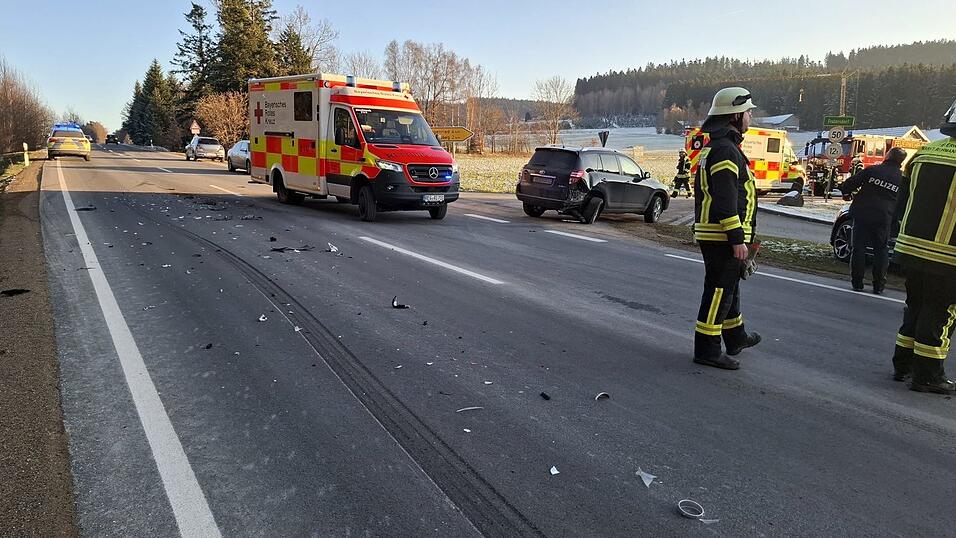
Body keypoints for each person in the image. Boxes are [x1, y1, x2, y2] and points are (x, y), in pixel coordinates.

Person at [692, 87, 761, 370]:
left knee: (730, 287)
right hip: (722, 236)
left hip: (720, 234)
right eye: (747, 112)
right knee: (719, 291)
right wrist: (736, 238)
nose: (750, 116)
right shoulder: (724, 150)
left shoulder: (725, 146)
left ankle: (736, 337)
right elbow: (725, 199)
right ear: (734, 116)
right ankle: (707, 349)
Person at [890, 97, 956, 395]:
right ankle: (928, 376)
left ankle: (902, 364)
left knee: (915, 305)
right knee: (941, 312)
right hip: (948, 255)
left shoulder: (924, 152)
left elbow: (902, 201)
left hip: (911, 248)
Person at [840, 146, 906, 294]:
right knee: (881, 250)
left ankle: (857, 283)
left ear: (888, 156)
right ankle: (879, 285)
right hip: (884, 217)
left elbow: (851, 183)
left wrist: (845, 192)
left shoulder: (873, 171)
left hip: (863, 213)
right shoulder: (902, 179)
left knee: (858, 248)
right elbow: (903, 202)